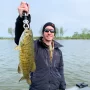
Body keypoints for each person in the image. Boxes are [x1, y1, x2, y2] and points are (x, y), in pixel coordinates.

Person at [14, 1, 66, 90]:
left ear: (54, 34)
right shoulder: (35, 45)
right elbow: (20, 39)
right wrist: (22, 17)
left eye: (52, 31)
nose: (49, 32)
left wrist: (62, 87)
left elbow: (60, 71)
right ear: (43, 33)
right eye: (46, 30)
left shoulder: (58, 51)